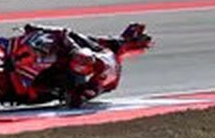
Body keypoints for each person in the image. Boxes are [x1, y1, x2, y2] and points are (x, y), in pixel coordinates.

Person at [22, 22, 151, 107]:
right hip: (77, 53)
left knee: (69, 93)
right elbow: (70, 34)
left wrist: (78, 97)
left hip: (73, 82)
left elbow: (88, 94)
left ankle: (44, 87)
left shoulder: (108, 71)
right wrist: (41, 29)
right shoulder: (103, 47)